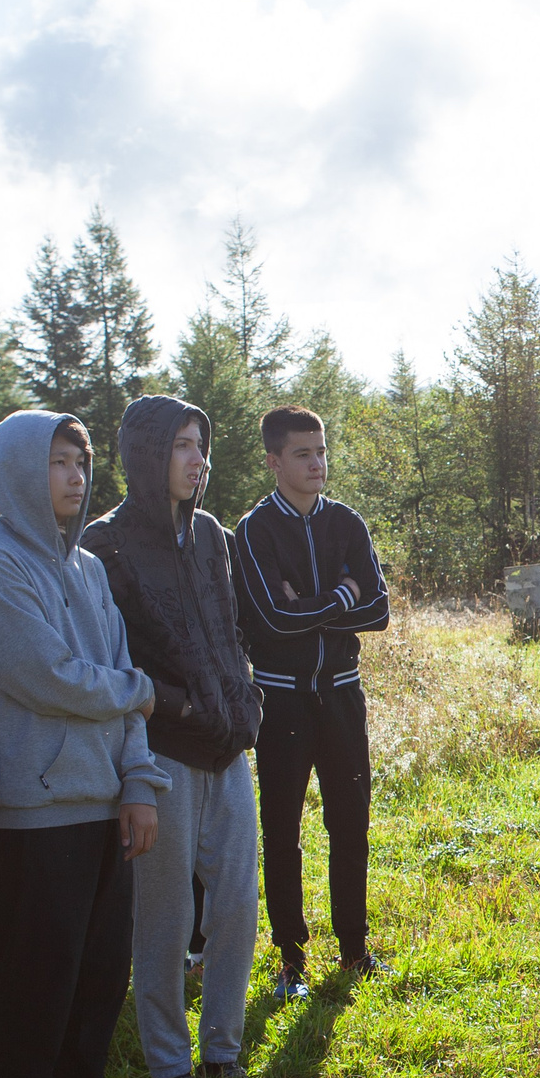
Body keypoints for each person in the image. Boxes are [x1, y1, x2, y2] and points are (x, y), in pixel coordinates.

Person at [0, 412, 167, 1078]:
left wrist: (139, 784)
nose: (74, 476)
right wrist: (140, 695)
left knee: (99, 978)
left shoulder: (88, 571)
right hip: (30, 814)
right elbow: (41, 675)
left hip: (105, 806)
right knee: (38, 986)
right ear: (13, 472)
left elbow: (114, 671)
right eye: (55, 463)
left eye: (80, 461)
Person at [79, 395, 266, 1078]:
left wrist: (246, 697)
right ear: (147, 455)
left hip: (230, 750)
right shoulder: (107, 545)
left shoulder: (213, 534)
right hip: (160, 756)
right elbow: (111, 660)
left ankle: (223, 1056)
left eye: (201, 445)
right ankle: (170, 1073)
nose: (198, 460)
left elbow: (228, 628)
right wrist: (180, 708)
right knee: (161, 917)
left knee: (236, 906)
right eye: (183, 447)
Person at [231, 406, 390, 998]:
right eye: (302, 453)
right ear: (275, 461)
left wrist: (314, 604)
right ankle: (291, 959)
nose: (317, 463)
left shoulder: (347, 523)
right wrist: (342, 595)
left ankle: (354, 950)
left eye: (321, 450)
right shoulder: (253, 531)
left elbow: (379, 610)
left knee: (351, 824)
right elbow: (269, 619)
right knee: (282, 827)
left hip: (344, 695)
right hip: (280, 700)